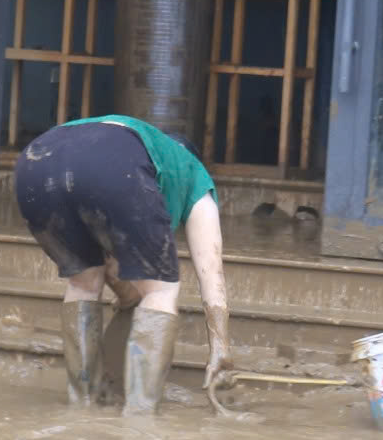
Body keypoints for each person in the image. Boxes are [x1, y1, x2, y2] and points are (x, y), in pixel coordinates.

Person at [13, 114, 234, 414]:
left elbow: (113, 262)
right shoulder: (193, 174)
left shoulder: (138, 143)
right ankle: (139, 417)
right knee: (162, 289)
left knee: (83, 281)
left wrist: (129, 298)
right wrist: (220, 348)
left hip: (35, 162)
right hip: (110, 161)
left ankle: (84, 405)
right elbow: (211, 273)